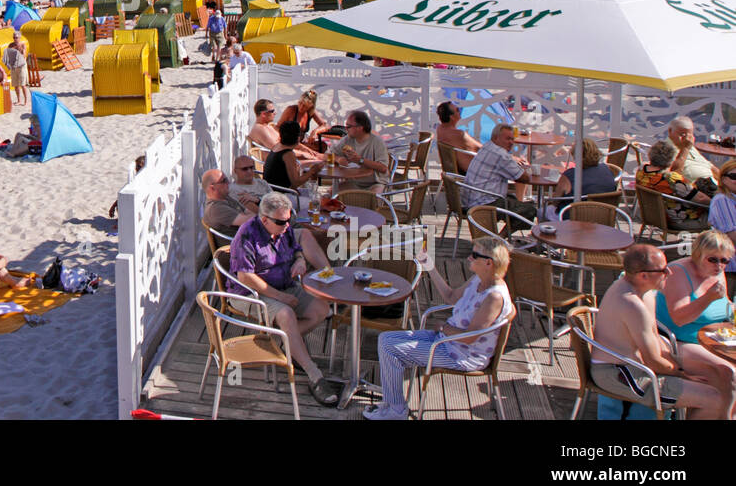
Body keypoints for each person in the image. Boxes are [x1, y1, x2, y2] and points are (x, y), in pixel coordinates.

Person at [364, 239, 514, 419]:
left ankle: (396, 410)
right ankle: (391, 403)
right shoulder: (478, 280)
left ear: (489, 262)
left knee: (391, 350)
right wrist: (429, 265)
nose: (468, 258)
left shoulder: (494, 297)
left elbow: (470, 338)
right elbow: (451, 297)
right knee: (385, 339)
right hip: (447, 341)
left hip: (462, 354)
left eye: (474, 255)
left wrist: (445, 328)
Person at [588, 244, 734, 420]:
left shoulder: (647, 292)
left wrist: (682, 366)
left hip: (639, 365)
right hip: (620, 373)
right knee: (714, 398)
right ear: (644, 275)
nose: (669, 273)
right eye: (663, 270)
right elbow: (653, 361)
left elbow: (655, 341)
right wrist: (682, 374)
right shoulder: (631, 304)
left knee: (723, 374)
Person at [227, 191, 339, 406]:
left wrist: (300, 261)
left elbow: (297, 249)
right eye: (281, 222)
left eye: (288, 220)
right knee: (286, 314)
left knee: (321, 308)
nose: (287, 225)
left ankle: (284, 346)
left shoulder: (284, 227)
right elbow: (245, 276)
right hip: (250, 292)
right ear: (265, 219)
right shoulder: (247, 234)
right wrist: (281, 297)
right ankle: (314, 375)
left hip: (284, 284)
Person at [657, 230, 736, 351]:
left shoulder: (716, 272)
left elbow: (726, 303)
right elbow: (679, 319)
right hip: (679, 341)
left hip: (718, 337)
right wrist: (708, 298)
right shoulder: (677, 273)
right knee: (729, 369)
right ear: (698, 255)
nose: (719, 265)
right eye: (713, 259)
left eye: (724, 260)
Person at [461, 124, 538, 221]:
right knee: (530, 210)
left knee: (516, 202)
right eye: (507, 139)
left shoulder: (488, 146)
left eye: (512, 139)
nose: (511, 142)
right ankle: (502, 235)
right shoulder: (501, 155)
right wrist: (528, 169)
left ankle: (498, 235)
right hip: (483, 204)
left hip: (469, 200)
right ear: (495, 138)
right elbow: (523, 178)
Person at [636, 139, 710, 232]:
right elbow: (701, 199)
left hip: (655, 218)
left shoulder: (642, 170)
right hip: (680, 221)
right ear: (671, 160)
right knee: (723, 213)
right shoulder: (671, 179)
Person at [330, 110, 392, 190]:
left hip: (375, 183)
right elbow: (328, 155)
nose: (346, 129)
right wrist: (339, 159)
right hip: (353, 182)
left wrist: (360, 160)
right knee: (330, 194)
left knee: (374, 199)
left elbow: (383, 168)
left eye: (349, 126)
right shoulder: (347, 140)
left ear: (360, 128)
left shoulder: (376, 141)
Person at [551, 138, 619, 203]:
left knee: (542, 211)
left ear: (575, 155)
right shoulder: (606, 169)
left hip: (573, 213)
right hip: (605, 213)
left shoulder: (570, 175)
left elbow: (555, 200)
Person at [263, 121, 322, 189]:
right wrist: (312, 170)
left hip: (269, 189)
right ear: (298, 137)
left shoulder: (278, 146)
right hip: (282, 194)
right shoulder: (288, 155)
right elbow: (296, 183)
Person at [668, 116, 721, 187]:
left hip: (714, 185)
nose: (686, 138)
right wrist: (686, 149)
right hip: (698, 189)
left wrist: (726, 177)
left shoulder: (690, 147)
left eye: (689, 135)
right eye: (682, 134)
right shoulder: (665, 148)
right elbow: (673, 174)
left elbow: (709, 166)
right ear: (670, 131)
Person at [202, 169, 253, 239]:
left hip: (249, 238)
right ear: (212, 188)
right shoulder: (216, 209)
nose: (228, 183)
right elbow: (250, 221)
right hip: (239, 246)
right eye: (224, 181)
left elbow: (248, 211)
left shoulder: (225, 197)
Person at [707, 160, 736, 269]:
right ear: (723, 179)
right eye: (734, 176)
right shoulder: (722, 200)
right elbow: (732, 236)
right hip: (730, 263)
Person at [2, 32, 29, 107]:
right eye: (14, 37)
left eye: (16, 37)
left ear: (19, 38)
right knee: (16, 84)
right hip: (14, 66)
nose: (15, 39)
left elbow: (23, 56)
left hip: (21, 66)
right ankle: (19, 100)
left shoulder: (23, 45)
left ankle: (26, 101)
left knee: (23, 85)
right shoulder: (11, 45)